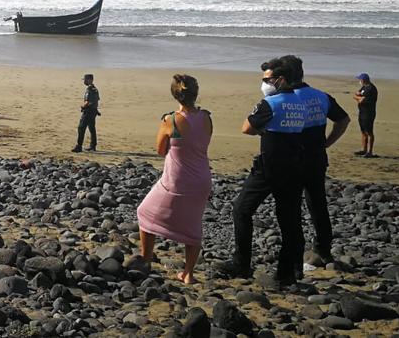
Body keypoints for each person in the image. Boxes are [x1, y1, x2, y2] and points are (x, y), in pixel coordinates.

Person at [216, 56, 311, 287]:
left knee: (241, 210)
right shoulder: (300, 103)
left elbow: (247, 128)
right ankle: (287, 272)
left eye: (266, 79)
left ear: (279, 80)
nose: (264, 83)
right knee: (289, 222)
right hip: (294, 166)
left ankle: (241, 263)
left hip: (269, 168)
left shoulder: (270, 103)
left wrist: (266, 130)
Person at [136, 75, 214, 284]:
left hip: (177, 179)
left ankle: (145, 259)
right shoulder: (206, 117)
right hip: (202, 179)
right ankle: (188, 273)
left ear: (175, 95)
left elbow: (161, 150)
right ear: (195, 94)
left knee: (145, 212)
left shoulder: (170, 120)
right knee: (193, 224)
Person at [296, 57, 350, 265]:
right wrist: (327, 143)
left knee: (291, 206)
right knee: (317, 203)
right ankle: (323, 249)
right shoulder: (321, 97)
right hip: (317, 157)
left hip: (294, 158)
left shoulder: (288, 99)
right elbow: (343, 120)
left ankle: (296, 253)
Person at [72, 74, 100, 152]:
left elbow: (87, 102)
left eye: (85, 80)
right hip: (94, 111)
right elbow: (96, 100)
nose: (84, 81)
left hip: (88, 111)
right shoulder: (95, 89)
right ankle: (93, 145)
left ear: (89, 80)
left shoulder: (90, 89)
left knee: (81, 128)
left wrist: (82, 106)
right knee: (92, 128)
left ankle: (79, 146)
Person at [354, 73, 378, 158]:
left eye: (360, 80)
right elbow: (356, 94)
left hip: (369, 113)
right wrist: (359, 97)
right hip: (362, 112)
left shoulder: (371, 88)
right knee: (363, 131)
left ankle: (370, 152)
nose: (359, 81)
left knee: (369, 132)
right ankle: (364, 149)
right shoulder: (364, 87)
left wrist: (359, 97)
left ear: (363, 80)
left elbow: (361, 100)